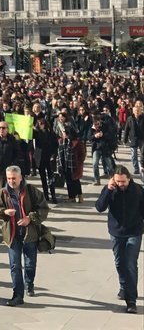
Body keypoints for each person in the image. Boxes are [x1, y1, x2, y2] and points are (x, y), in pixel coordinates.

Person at [0, 165, 49, 307]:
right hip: (12, 235)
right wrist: (4, 212)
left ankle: (29, 283)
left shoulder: (32, 191)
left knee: (30, 264)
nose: (11, 181)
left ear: (20, 177)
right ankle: (17, 295)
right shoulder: (3, 193)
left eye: (14, 178)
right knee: (15, 265)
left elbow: (44, 209)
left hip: (30, 234)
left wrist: (30, 218)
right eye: (9, 178)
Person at [94, 165, 144, 314]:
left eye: (123, 181)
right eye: (118, 181)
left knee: (130, 263)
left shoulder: (138, 190)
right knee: (119, 262)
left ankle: (131, 300)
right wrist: (108, 190)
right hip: (116, 232)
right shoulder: (110, 189)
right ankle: (123, 286)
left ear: (129, 179)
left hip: (134, 231)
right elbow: (100, 207)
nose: (121, 184)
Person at [58, 128, 87, 202]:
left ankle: (80, 196)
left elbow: (82, 155)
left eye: (65, 133)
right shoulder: (64, 141)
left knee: (76, 181)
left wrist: (79, 161)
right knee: (68, 181)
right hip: (66, 164)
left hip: (75, 165)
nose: (63, 134)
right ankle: (71, 197)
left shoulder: (78, 142)